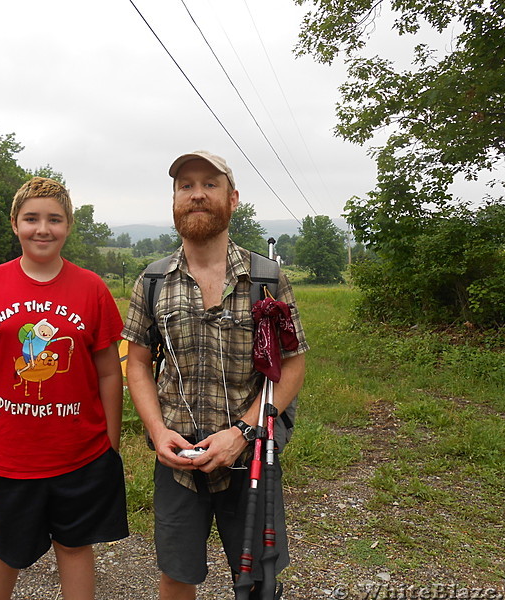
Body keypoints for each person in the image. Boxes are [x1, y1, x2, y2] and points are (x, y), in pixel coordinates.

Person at [122, 151, 308, 600]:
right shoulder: (152, 281)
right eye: (186, 185)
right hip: (178, 460)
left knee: (260, 578)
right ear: (174, 200)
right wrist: (157, 430)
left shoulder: (267, 278)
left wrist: (243, 432)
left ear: (233, 198)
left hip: (252, 458)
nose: (197, 194)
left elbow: (293, 364)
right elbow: (138, 363)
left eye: (210, 184)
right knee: (177, 574)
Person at [0, 177, 129, 600]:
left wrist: (110, 445)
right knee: (7, 550)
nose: (42, 229)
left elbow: (108, 372)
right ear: (15, 224)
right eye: (31, 218)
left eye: (54, 219)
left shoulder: (92, 289)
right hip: (9, 458)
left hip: (81, 455)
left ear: (68, 226)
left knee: (74, 545)